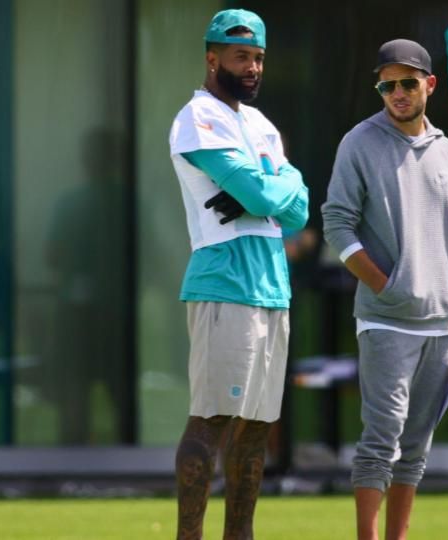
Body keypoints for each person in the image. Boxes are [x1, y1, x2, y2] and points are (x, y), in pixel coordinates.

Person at [321, 39, 448, 540]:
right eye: (387, 85)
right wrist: (384, 285)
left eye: (407, 83)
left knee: (415, 447)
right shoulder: (359, 142)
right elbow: (337, 224)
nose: (397, 93)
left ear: (429, 84)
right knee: (381, 440)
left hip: (440, 324)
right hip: (386, 320)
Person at [168, 9, 309, 540]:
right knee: (212, 420)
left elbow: (295, 210)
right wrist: (271, 188)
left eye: (258, 58)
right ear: (212, 59)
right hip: (224, 280)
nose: (252, 68)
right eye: (240, 56)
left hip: (273, 284)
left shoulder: (260, 124)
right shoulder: (197, 118)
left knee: (256, 429)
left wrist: (270, 189)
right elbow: (265, 195)